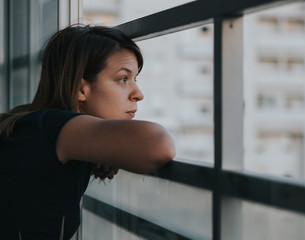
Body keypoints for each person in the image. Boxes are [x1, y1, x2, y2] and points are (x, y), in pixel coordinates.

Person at [0, 25, 175, 240]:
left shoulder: (34, 124)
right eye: (123, 79)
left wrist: (105, 148)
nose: (138, 94)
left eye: (135, 79)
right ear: (81, 89)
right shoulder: (54, 127)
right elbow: (158, 146)